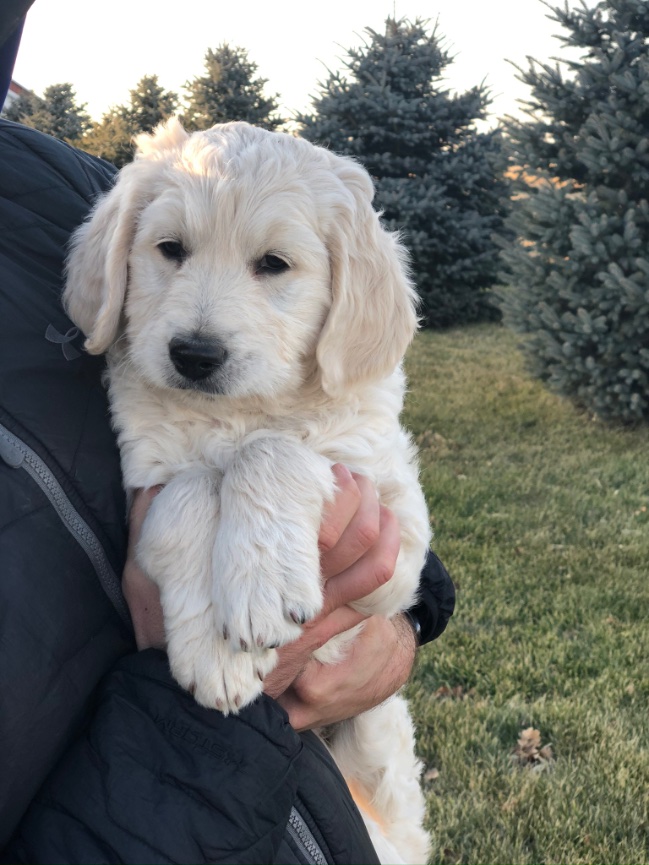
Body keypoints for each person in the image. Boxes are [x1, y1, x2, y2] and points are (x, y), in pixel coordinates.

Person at [0, 11, 455, 863]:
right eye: (172, 249)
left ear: (342, 296)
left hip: (356, 800)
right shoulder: (139, 336)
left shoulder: (42, 177)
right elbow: (161, 495)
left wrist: (398, 622)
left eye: (272, 265)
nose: (198, 327)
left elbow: (405, 559)